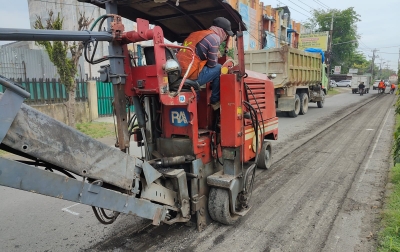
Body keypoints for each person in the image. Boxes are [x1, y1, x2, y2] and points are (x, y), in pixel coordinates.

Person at [176, 17, 234, 110]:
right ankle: (215, 101)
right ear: (222, 31)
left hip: (179, 74)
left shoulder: (195, 34)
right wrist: (216, 55)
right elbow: (212, 65)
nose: (226, 36)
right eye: (226, 34)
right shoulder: (215, 38)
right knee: (219, 68)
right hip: (191, 75)